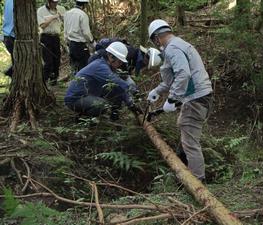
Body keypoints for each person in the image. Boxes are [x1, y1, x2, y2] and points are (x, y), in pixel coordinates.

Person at [147, 19, 213, 181]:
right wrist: (157, 90)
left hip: (196, 97)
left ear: (157, 38)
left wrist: (172, 99)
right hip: (198, 96)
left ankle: (198, 181)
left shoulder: (172, 48)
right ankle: (182, 163)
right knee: (183, 124)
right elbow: (175, 78)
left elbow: (183, 74)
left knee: (190, 139)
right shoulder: (178, 45)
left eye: (155, 41)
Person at [64, 41, 142, 121]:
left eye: (121, 62)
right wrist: (134, 92)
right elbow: (117, 82)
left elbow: (119, 89)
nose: (120, 64)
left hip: (85, 95)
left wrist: (131, 104)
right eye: (119, 61)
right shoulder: (100, 66)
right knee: (102, 105)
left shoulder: (107, 67)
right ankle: (83, 119)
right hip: (75, 99)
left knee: (114, 90)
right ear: (110, 57)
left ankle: (113, 114)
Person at [88, 38, 162, 76]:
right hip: (95, 62)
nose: (145, 66)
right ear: (147, 58)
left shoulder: (135, 54)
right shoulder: (130, 54)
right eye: (147, 64)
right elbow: (120, 71)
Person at [37, 0, 65, 85]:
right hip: (46, 37)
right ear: (48, 1)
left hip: (56, 37)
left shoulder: (61, 9)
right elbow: (42, 25)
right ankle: (44, 82)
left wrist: (61, 17)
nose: (55, 4)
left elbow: (65, 21)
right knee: (48, 61)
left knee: (57, 59)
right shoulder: (41, 10)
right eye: (53, 2)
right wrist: (53, 17)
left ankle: (54, 80)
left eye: (56, 2)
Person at [64, 0, 94, 74]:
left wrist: (67, 42)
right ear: (84, 5)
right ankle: (83, 84)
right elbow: (86, 33)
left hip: (71, 44)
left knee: (74, 67)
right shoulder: (83, 15)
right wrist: (92, 42)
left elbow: (65, 30)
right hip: (80, 45)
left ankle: (75, 82)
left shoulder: (67, 13)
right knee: (84, 67)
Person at [2, 0, 15, 77]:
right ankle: (10, 73)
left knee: (16, 59)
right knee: (17, 59)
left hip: (7, 34)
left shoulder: (8, 1)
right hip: (11, 35)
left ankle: (10, 72)